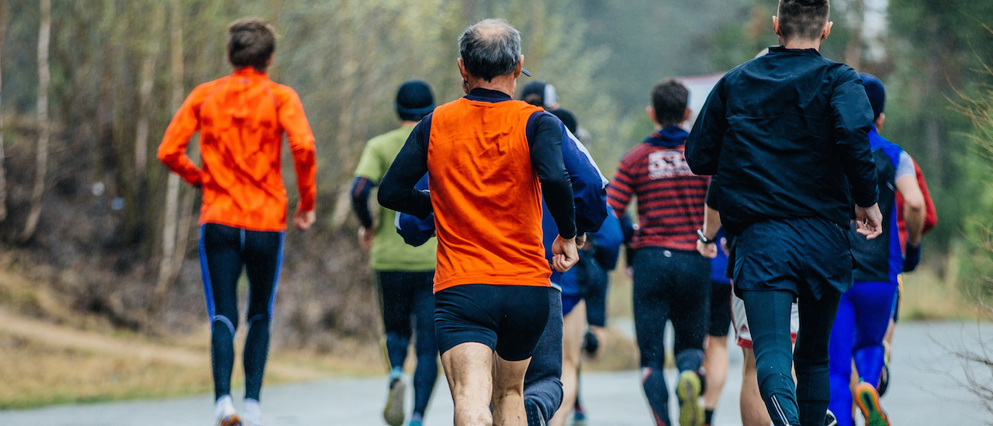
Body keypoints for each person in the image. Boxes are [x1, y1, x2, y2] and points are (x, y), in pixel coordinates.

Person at [685, 0, 884, 424]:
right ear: (826, 30)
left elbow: (700, 156)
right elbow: (853, 135)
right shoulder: (840, 80)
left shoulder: (737, 82)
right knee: (812, 356)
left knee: (771, 353)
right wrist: (867, 200)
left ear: (776, 26)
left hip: (761, 240)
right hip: (824, 238)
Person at [378, 19, 581, 426]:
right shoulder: (538, 122)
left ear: (461, 68)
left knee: (472, 397)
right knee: (511, 394)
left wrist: (435, 208)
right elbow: (557, 178)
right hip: (526, 287)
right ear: (519, 64)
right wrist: (567, 235)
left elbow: (390, 193)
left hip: (463, 287)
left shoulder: (435, 123)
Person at [156, 17, 317, 426]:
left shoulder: (205, 95)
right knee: (260, 312)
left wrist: (201, 179)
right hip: (266, 220)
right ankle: (254, 407)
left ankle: (223, 403)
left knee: (223, 313)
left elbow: (169, 151)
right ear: (270, 58)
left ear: (230, 56)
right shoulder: (282, 97)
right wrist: (306, 203)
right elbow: (302, 144)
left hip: (220, 219)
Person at [607, 79, 711, 426]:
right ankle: (688, 374)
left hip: (651, 261)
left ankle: (664, 421)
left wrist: (629, 245)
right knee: (691, 345)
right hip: (695, 259)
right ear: (687, 113)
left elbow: (612, 211)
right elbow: (724, 201)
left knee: (650, 357)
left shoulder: (636, 159)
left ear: (651, 113)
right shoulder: (703, 156)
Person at [826, 73, 925, 426]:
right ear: (879, 119)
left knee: (835, 367)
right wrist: (912, 247)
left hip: (836, 274)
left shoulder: (828, 153)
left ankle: (842, 420)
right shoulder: (896, 155)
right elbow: (914, 203)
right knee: (870, 345)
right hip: (881, 275)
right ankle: (868, 387)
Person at [350, 80, 439, 426]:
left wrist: (368, 224)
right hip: (434, 259)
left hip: (389, 258)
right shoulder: (437, 141)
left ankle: (397, 370)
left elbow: (359, 189)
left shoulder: (380, 145)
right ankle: (417, 416)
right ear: (430, 110)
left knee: (396, 329)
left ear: (398, 110)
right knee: (429, 344)